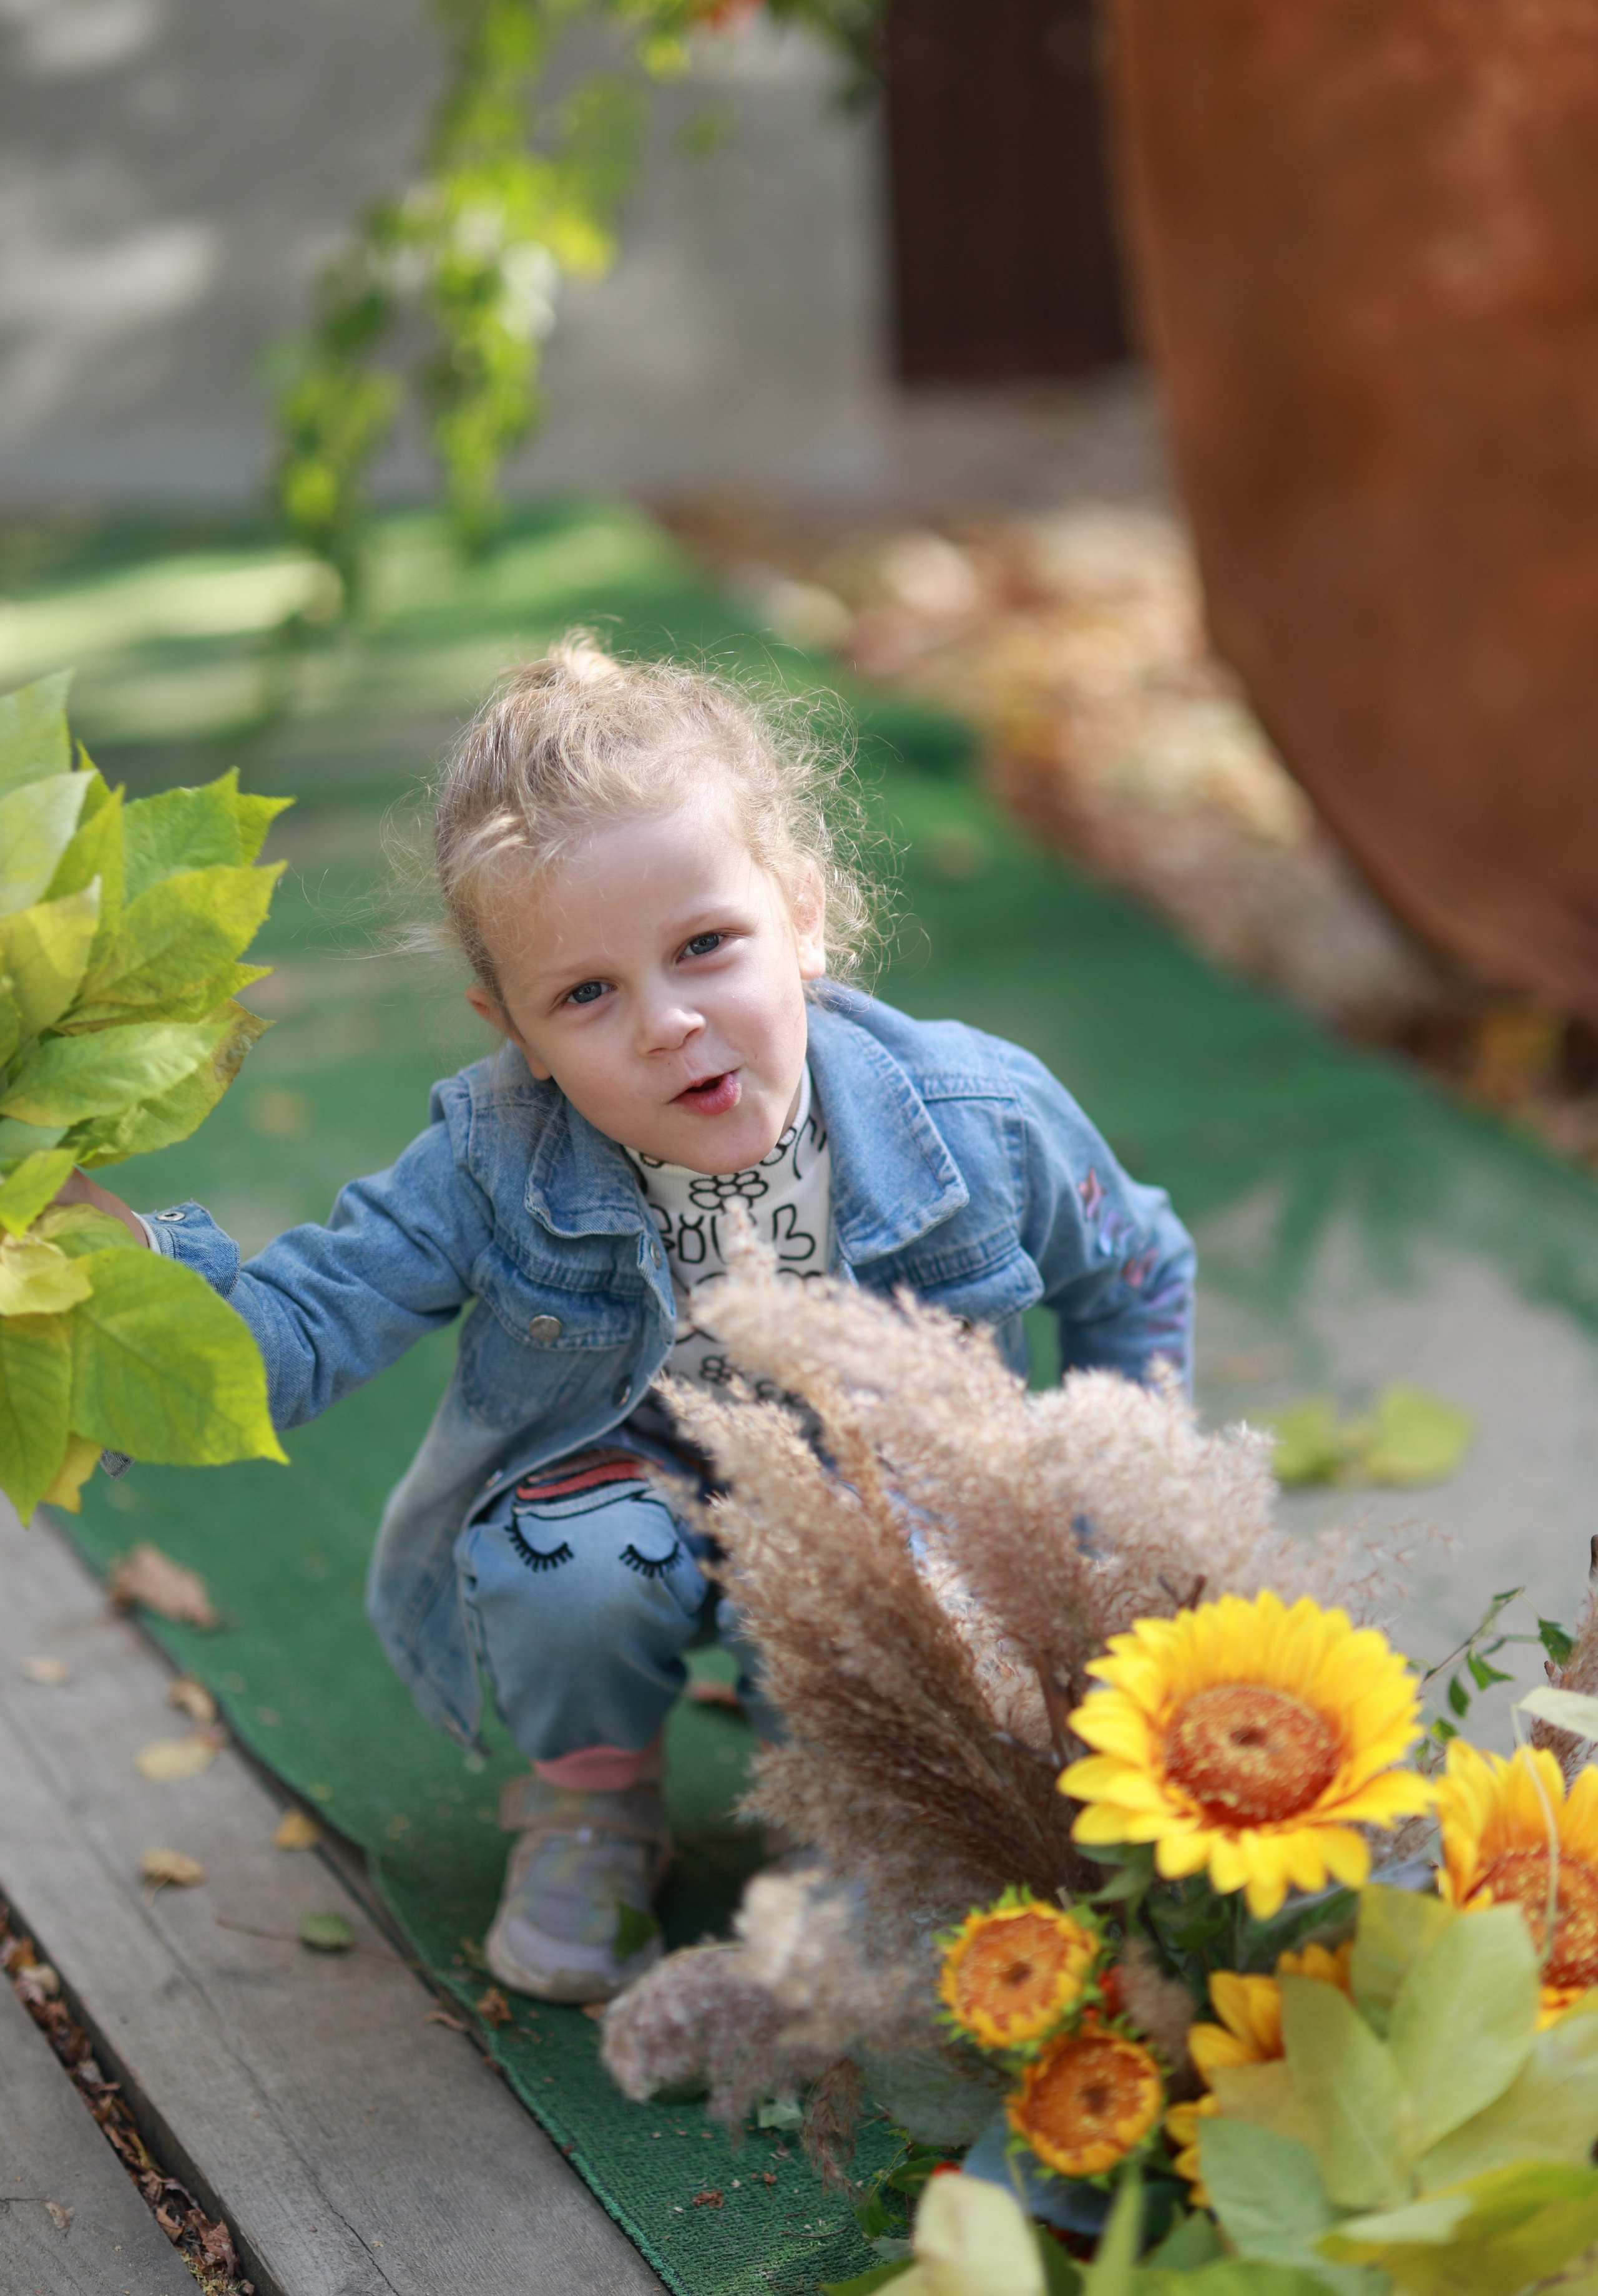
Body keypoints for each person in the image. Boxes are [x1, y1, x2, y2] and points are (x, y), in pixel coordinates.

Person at [69, 637, 1194, 2004]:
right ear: (515, 1030)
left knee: (902, 1637)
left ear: (804, 913)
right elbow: (300, 1330)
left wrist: (1108, 1525)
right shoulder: (496, 1156)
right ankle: (593, 1804)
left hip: (872, 1502)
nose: (666, 1023)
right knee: (566, 1568)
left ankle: (850, 1803)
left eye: (705, 948)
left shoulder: (968, 1117)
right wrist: (119, 1271)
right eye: (587, 995)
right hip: (628, 1473)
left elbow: (1129, 1270)